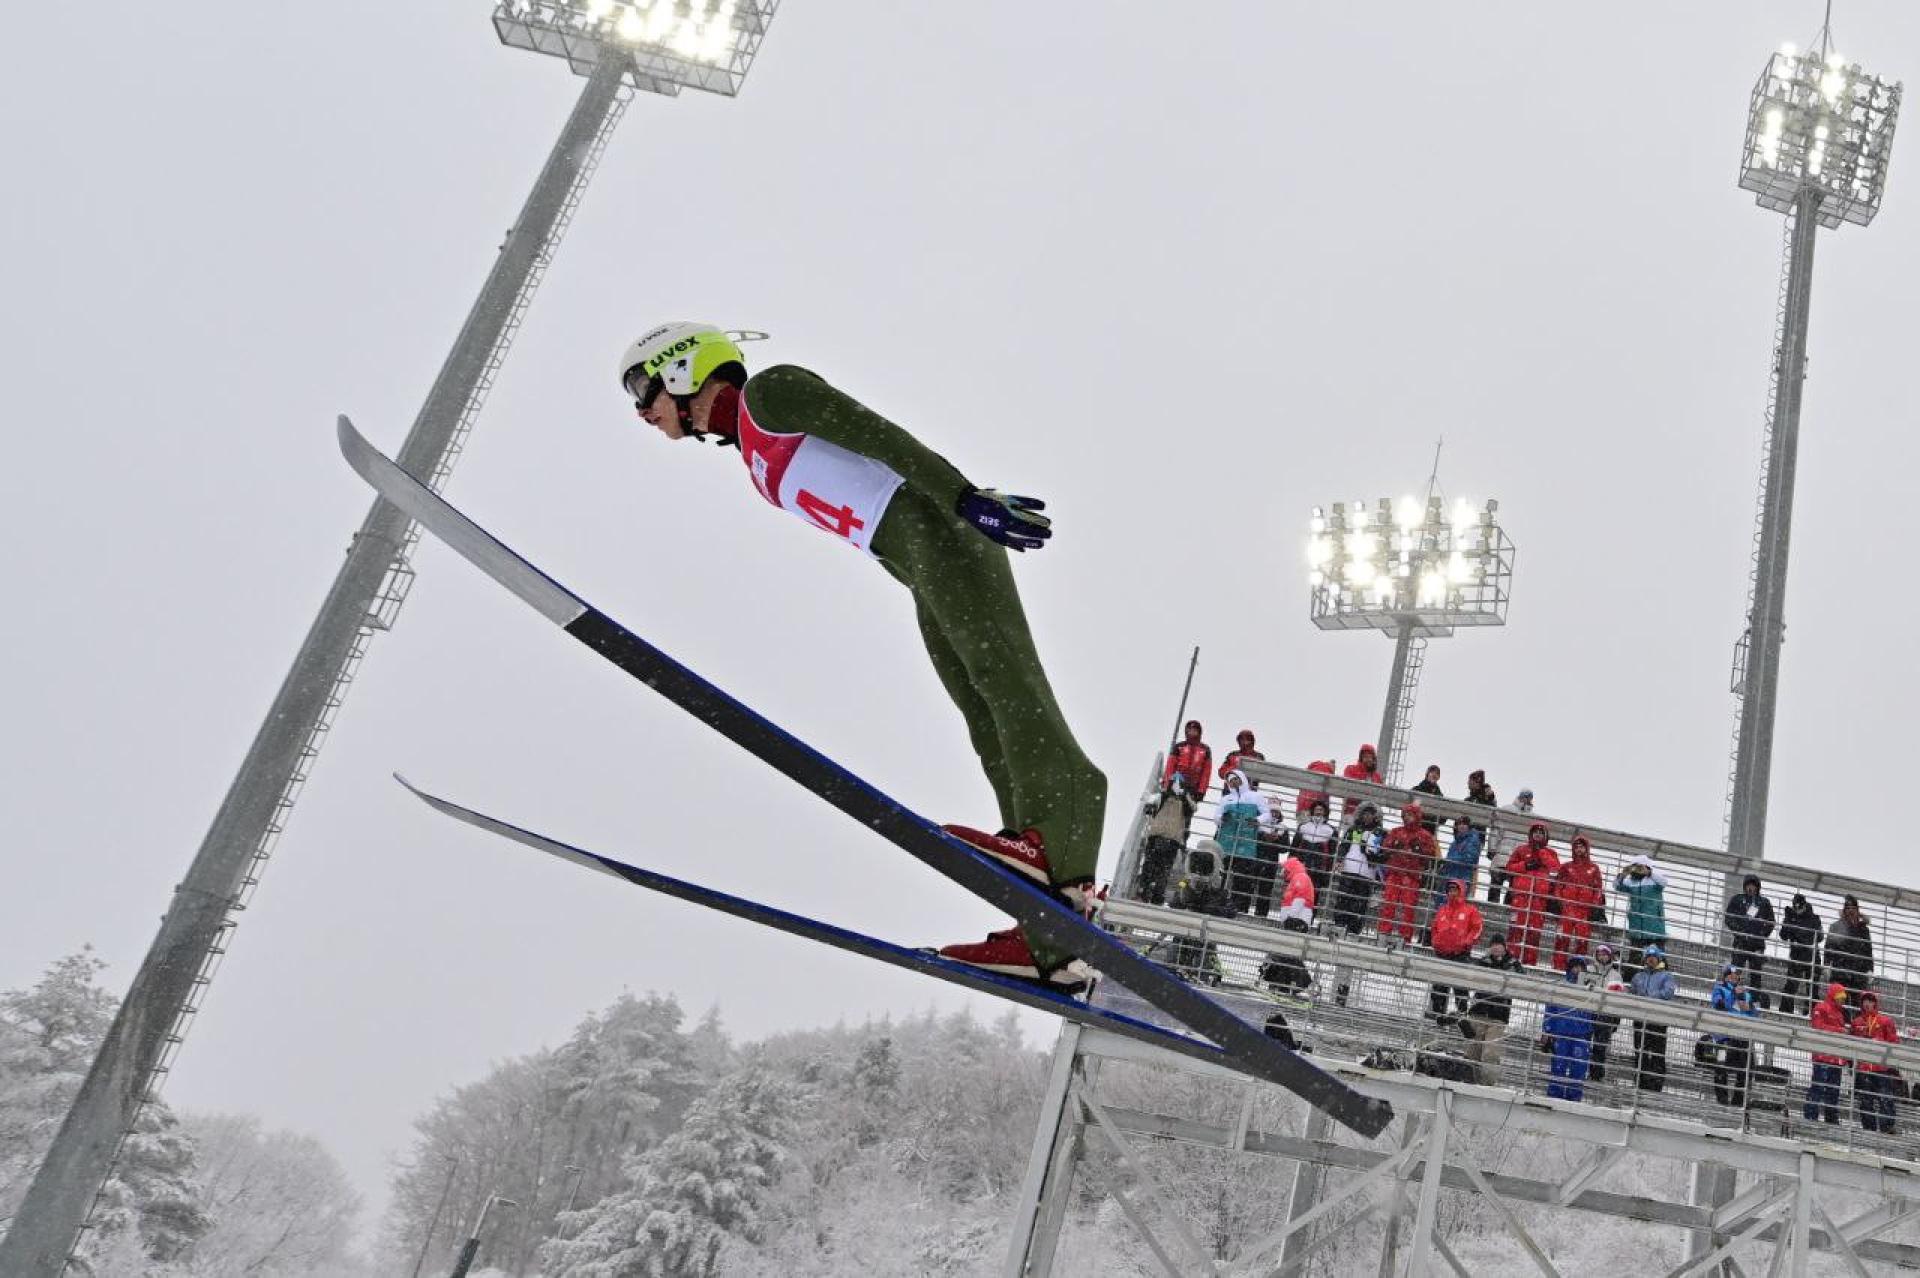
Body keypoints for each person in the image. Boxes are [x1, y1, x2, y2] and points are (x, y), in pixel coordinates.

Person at [618, 324, 1104, 988]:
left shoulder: (772, 392)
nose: (643, 411)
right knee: (982, 714)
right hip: (915, 564)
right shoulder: (753, 462)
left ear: (682, 367)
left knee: (1007, 684)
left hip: (944, 533)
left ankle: (1060, 839)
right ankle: (1050, 933)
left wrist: (964, 500)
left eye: (642, 388)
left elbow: (883, 438)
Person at [1462, 936, 1524, 1086]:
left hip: (1498, 1015)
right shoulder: (1484, 961)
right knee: (1473, 1051)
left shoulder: (1513, 963)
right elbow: (1473, 977)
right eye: (1493, 945)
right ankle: (1468, 1080)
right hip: (1479, 1011)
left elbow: (1522, 981)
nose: (1496, 948)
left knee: (1491, 1053)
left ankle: (1487, 1084)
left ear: (1504, 947)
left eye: (1499, 945)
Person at [1378, 802, 1438, 945]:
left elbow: (1430, 856)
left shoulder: (1425, 836)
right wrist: (1394, 847)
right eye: (1405, 815)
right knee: (1389, 904)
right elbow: (1385, 848)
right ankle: (1383, 933)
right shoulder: (1396, 831)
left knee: (1408, 908)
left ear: (1416, 816)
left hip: (1411, 877)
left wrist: (1418, 851)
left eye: (1409, 815)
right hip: (1395, 874)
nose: (1406, 818)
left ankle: (1405, 937)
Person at [1215, 770, 1273, 915]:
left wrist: (1257, 820)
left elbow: (1267, 814)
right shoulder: (1226, 799)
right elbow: (1216, 816)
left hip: (1246, 844)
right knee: (1221, 875)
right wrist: (1222, 818)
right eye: (1230, 781)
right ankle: (1217, 902)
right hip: (1226, 842)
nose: (1233, 782)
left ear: (1242, 780)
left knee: (1242, 878)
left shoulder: (1256, 797)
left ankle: (1237, 906)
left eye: (1235, 779)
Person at [1260, 852, 1317, 997]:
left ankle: (1300, 983)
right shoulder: (1298, 878)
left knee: (1287, 955)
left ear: (1290, 868)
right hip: (1295, 921)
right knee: (1287, 955)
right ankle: (1286, 985)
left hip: (1296, 922)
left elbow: (1300, 899)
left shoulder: (1300, 878)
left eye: (1284, 869)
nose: (1282, 873)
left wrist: (1290, 918)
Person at [1504, 822, 1561, 967]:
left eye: (1541, 833)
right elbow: (1509, 868)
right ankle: (1511, 962)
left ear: (1546, 836)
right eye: (1535, 832)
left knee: (1534, 935)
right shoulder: (1521, 850)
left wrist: (1541, 853)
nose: (1538, 834)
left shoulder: (1550, 853)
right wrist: (1526, 865)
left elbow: (1555, 869)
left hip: (1539, 900)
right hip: (1520, 898)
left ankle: (1529, 965)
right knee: (1515, 931)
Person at [1542, 956, 1596, 1101]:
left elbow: (1595, 1014)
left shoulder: (1590, 990)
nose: (1577, 970)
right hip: (1561, 1034)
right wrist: (1547, 1030)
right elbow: (1550, 1009)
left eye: (1581, 967)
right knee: (1558, 1067)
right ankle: (1554, 1096)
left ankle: (1574, 1098)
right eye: (1575, 967)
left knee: (1578, 1070)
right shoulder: (1560, 987)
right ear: (1569, 969)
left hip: (1581, 1036)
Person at [1550, 835, 1606, 972]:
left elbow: (1598, 889)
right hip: (1567, 909)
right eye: (1576, 846)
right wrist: (1561, 900)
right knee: (1562, 939)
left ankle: (1578, 971)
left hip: (1584, 912)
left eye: (1582, 846)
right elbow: (1557, 886)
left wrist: (1593, 904)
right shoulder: (1566, 867)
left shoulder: (1594, 868)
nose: (1579, 849)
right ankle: (1558, 968)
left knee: (1582, 942)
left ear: (1586, 849)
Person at [1429, 880, 1483, 1019]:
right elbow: (1434, 927)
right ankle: (1438, 1016)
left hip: (1460, 955)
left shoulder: (1470, 910)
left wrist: (1467, 941)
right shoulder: (1442, 910)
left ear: (1461, 891)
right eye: (1450, 889)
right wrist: (1436, 941)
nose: (1452, 892)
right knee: (1438, 988)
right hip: (1442, 954)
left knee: (1460, 989)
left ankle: (1461, 1018)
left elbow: (1477, 929)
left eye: (1455, 889)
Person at [1849, 991, 1900, 1135]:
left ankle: (1887, 1127)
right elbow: (1850, 1043)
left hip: (1881, 1068)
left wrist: (1880, 1045)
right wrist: (1852, 1064)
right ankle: (1868, 1129)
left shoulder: (1885, 1021)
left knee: (1886, 1098)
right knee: (1865, 1100)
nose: (1867, 1003)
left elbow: (1894, 1042)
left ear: (1875, 1003)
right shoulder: (1857, 1022)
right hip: (1864, 1068)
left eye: (1870, 1001)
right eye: (1865, 1000)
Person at [1330, 802, 1383, 935]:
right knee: (1343, 899)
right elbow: (1344, 846)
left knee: (1360, 903)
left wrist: (1374, 855)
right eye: (1365, 814)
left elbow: (1383, 854)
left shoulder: (1379, 833)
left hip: (1367, 873)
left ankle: (1355, 930)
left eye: (1370, 814)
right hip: (1349, 869)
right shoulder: (1353, 829)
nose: (1367, 817)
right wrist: (1340, 859)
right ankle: (1339, 925)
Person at [1708, 966, 1759, 1108]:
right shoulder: (1719, 989)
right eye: (1731, 975)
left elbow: (1755, 1015)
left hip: (1742, 1038)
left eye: (1737, 975)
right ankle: (1722, 1101)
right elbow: (1719, 1005)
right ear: (1725, 977)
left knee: (1747, 1069)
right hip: (1724, 1037)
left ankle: (1738, 1102)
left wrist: (1749, 1009)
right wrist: (1733, 995)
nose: (1734, 977)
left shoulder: (1746, 994)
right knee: (1720, 1067)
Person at [1629, 944, 1677, 1092]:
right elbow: (1633, 992)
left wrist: (1649, 999)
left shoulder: (1666, 976)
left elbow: (1668, 992)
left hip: (1658, 1020)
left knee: (1657, 1054)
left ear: (1658, 959)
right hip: (1640, 1020)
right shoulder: (1639, 976)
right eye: (1648, 957)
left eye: (1653, 957)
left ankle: (1656, 1085)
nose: (1651, 960)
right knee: (1640, 1052)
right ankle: (1640, 1083)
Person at [1136, 780, 1192, 905]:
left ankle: (1157, 894)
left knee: (1164, 869)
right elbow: (1148, 807)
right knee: (1150, 865)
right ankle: (1144, 890)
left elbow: (1192, 809)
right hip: (1156, 835)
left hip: (1172, 839)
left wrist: (1184, 796)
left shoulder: (1184, 801)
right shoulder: (1161, 796)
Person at [1805, 982, 1851, 1125]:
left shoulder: (1839, 1012)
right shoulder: (1821, 1007)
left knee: (1832, 1091)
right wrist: (1840, 1032)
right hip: (1824, 1056)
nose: (1842, 1000)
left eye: (1843, 998)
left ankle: (1829, 1119)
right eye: (1840, 997)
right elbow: (1818, 1027)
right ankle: (1812, 1117)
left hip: (1834, 1058)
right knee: (1819, 1088)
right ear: (1833, 996)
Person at [1615, 855, 1670, 974]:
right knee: (1634, 958)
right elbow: (1617, 886)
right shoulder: (1630, 881)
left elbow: (1664, 882)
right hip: (1636, 928)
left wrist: (1649, 873)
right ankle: (1631, 980)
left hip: (1654, 929)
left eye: (1639, 867)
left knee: (1659, 959)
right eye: (1634, 866)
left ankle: (1662, 979)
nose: (1637, 870)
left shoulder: (1654, 880)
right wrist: (1622, 874)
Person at [1724, 874, 1777, 994]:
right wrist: (1739, 932)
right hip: (1740, 943)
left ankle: (1754, 1001)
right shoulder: (1737, 899)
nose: (1751, 888)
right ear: (1744, 886)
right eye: (1748, 885)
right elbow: (1729, 918)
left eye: (1753, 886)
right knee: (1735, 971)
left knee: (1756, 975)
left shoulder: (1764, 902)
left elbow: (1771, 922)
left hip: (1757, 945)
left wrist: (1762, 934)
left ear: (1758, 887)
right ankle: (1729, 996)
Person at [1583, 943, 1628, 1084]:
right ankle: (1579, 1071)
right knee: (1584, 1044)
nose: (1602, 957)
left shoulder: (1616, 975)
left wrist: (1616, 1020)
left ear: (1610, 956)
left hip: (1605, 1015)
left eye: (1605, 954)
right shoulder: (1588, 970)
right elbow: (1581, 988)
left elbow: (1618, 1000)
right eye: (1600, 953)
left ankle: (1596, 1075)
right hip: (1588, 1012)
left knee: (1600, 1047)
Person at [1487, 786, 1535, 905]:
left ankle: (1506, 910)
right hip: (1502, 855)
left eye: (1529, 798)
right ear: (1520, 796)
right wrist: (1492, 848)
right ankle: (1492, 908)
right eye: (1525, 797)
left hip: (1518, 860)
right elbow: (1495, 830)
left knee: (1513, 887)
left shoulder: (1532, 818)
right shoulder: (1507, 810)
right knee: (1496, 884)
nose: (1526, 800)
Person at [1779, 893, 1824, 1018]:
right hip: (1798, 956)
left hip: (1811, 956)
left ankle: (1811, 1014)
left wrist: (1801, 937)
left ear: (1804, 906)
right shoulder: (1791, 918)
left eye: (1800, 907)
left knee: (1812, 988)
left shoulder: (1814, 918)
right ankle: (1786, 1013)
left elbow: (1820, 937)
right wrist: (1787, 922)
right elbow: (1783, 935)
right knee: (1791, 986)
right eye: (1796, 907)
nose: (1798, 910)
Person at [1826, 896, 1875, 996]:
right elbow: (1828, 947)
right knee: (1839, 1003)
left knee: (1857, 1005)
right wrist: (1826, 965)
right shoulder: (1835, 927)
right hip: (1840, 972)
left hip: (1858, 973)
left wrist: (1870, 969)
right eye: (1848, 908)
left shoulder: (1863, 929)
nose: (1850, 911)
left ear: (1857, 911)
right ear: (1844, 910)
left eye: (1853, 908)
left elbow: (1868, 950)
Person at [1294, 799, 1338, 908]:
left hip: (1319, 868)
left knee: (1314, 894)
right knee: (1298, 891)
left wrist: (1328, 870)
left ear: (1325, 812)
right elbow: (1294, 846)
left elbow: (1332, 852)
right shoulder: (1303, 826)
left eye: (1321, 810)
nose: (1318, 812)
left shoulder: (1331, 830)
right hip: (1303, 865)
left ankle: (1309, 918)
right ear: (1312, 811)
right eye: (1316, 809)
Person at [1434, 815, 1483, 912]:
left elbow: (1470, 859)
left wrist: (1449, 861)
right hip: (1450, 878)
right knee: (1443, 906)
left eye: (1464, 824)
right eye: (1459, 824)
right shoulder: (1455, 842)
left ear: (1469, 826)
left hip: (1461, 878)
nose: (1461, 826)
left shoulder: (1473, 840)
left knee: (1453, 907)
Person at [1163, 721, 1213, 805]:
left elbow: (1206, 773)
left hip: (1193, 787)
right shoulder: (1179, 746)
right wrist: (1166, 784)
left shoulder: (1205, 749)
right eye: (1189, 730)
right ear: (1186, 732)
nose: (1192, 732)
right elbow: (1170, 767)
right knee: (1171, 807)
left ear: (1199, 732)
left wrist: (1201, 791)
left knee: (1186, 813)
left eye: (1194, 730)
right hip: (1177, 783)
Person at [1340, 744, 1382, 819]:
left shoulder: (1377, 776)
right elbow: (1348, 787)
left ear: (1373, 759)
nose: (1368, 759)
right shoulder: (1351, 769)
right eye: (1365, 757)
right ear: (1361, 758)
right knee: (1353, 831)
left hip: (1369, 817)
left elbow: (1379, 795)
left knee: (1366, 830)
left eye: (1370, 757)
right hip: (1352, 813)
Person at [1297, 758, 1337, 823]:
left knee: (1303, 829)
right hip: (1316, 809)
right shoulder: (1327, 773)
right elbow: (1324, 797)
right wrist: (1327, 813)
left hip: (1302, 808)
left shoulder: (1312, 770)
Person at [1410, 765, 1445, 833]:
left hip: (1430, 830)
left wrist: (1432, 821)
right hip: (1415, 827)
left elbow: (1443, 816)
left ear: (1438, 777)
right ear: (1427, 774)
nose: (1434, 775)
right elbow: (1409, 808)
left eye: (1437, 773)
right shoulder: (1416, 790)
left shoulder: (1439, 796)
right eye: (1432, 772)